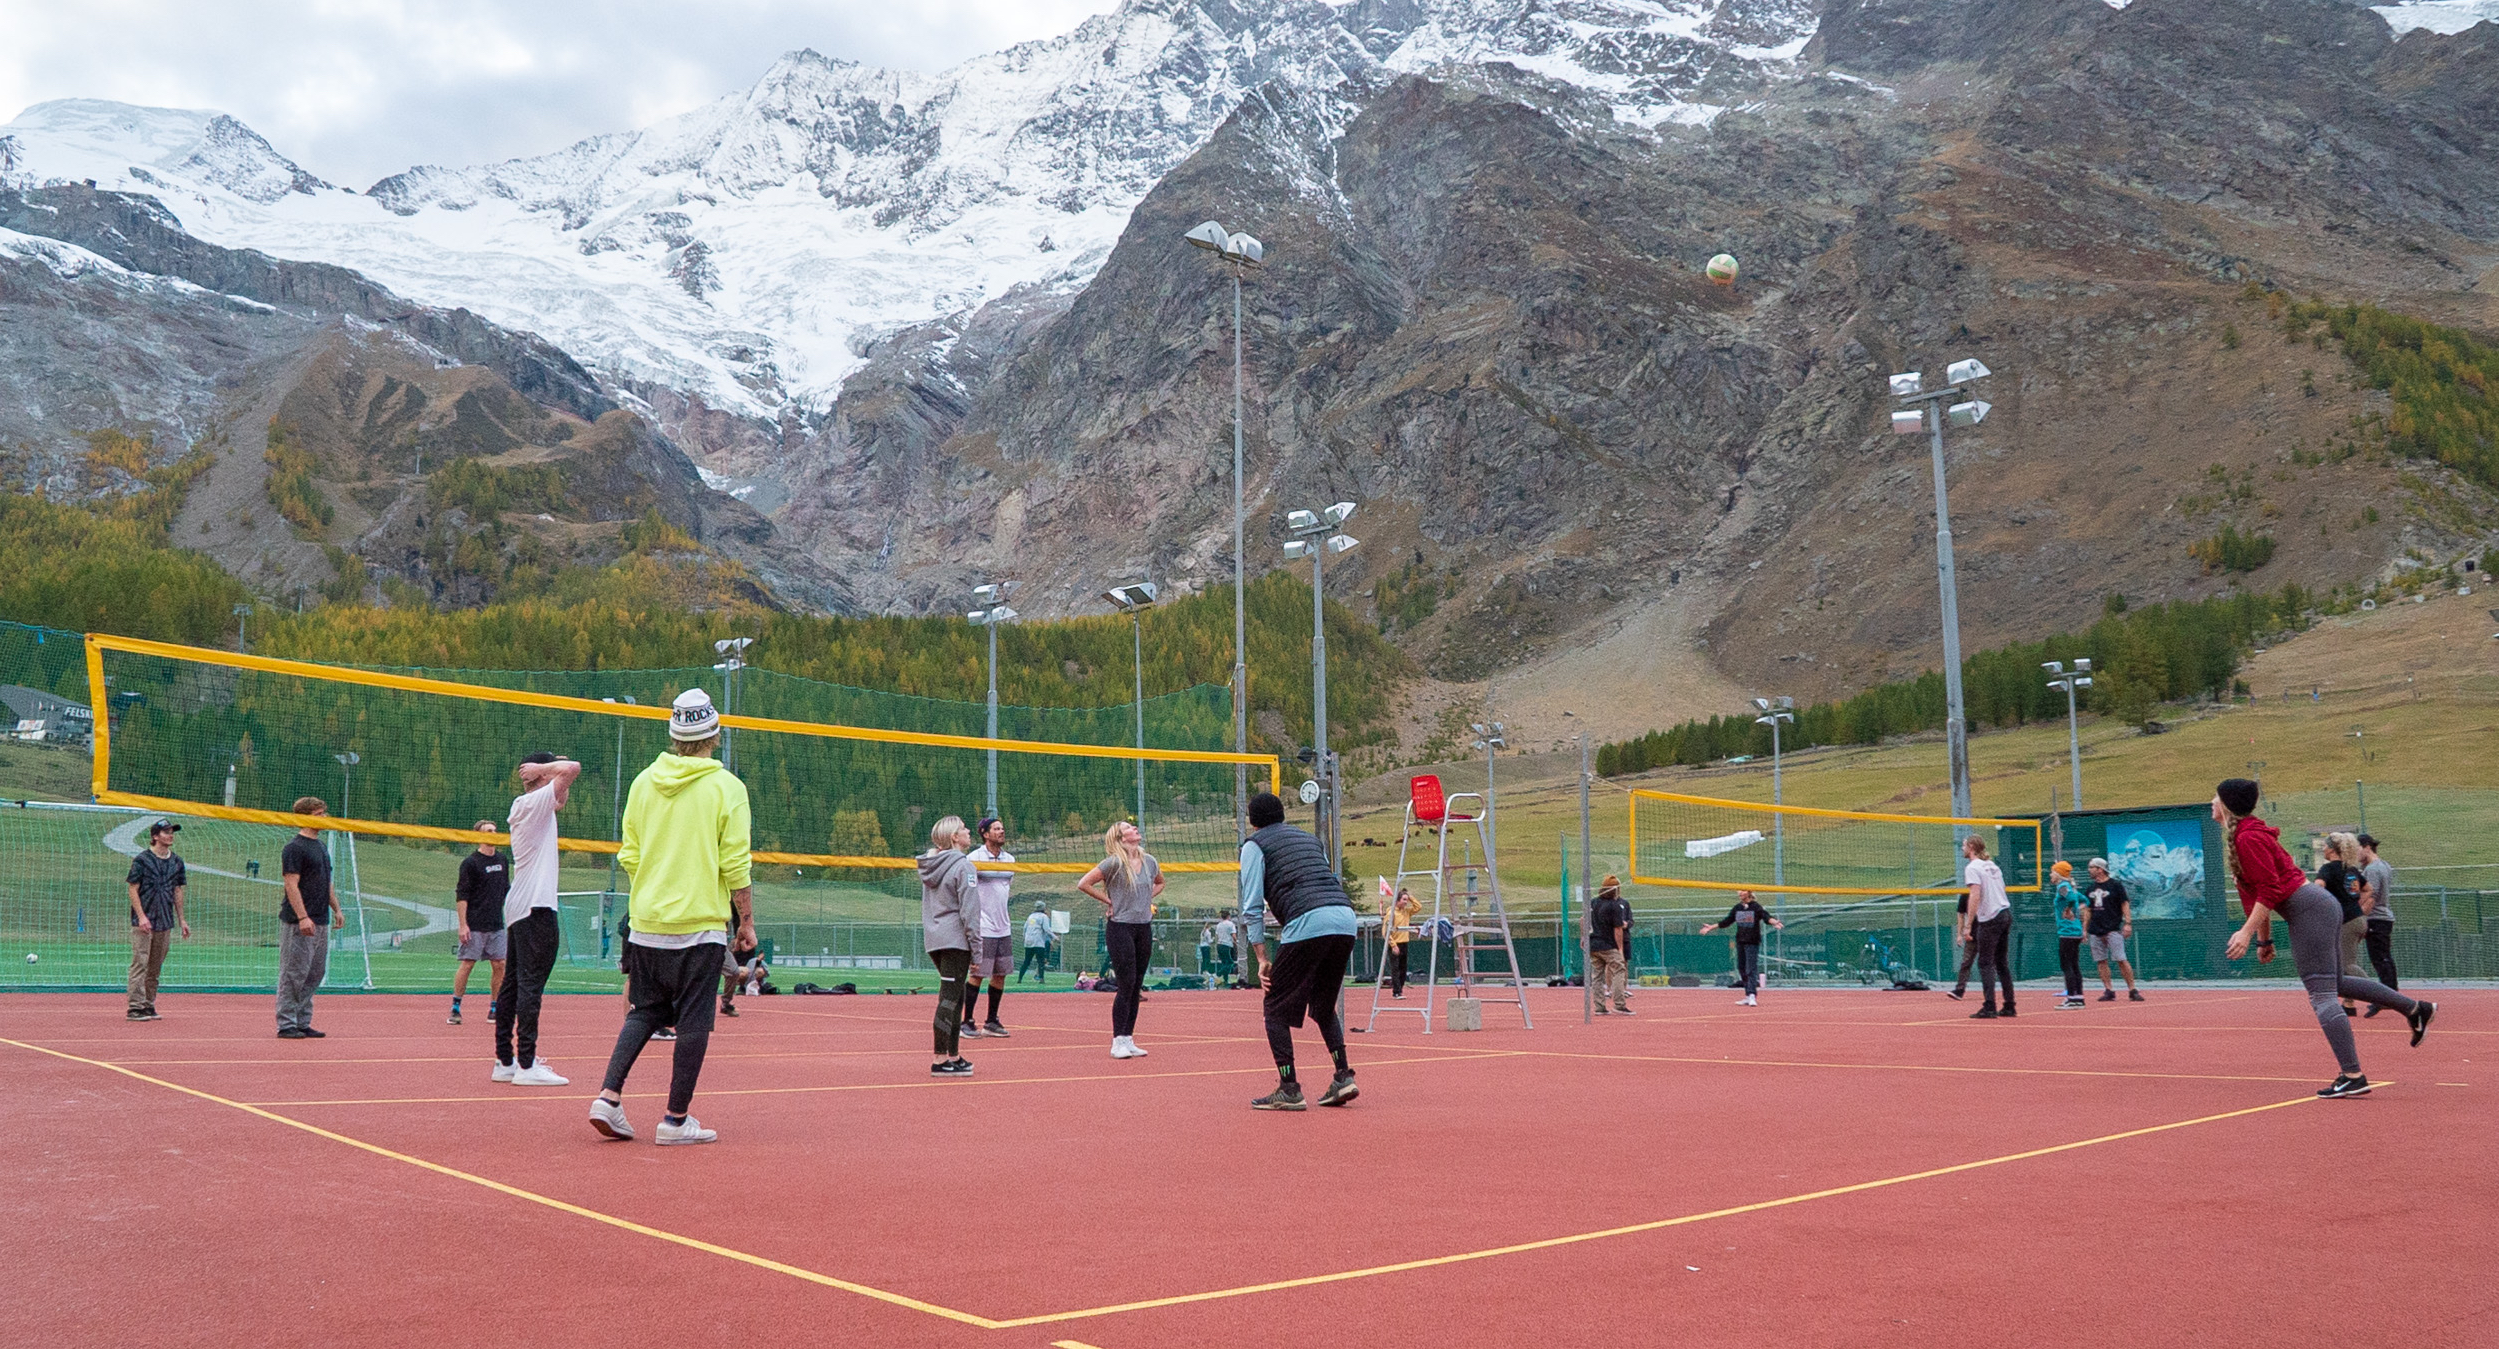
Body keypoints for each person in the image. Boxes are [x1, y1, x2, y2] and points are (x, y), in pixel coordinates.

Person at [589, 688, 756, 1144]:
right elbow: (735, 863)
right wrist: (745, 921)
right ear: (714, 734)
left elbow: (630, 855)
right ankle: (676, 1120)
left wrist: (655, 889)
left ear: (674, 733)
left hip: (647, 922)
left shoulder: (644, 782)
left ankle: (608, 1097)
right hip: (698, 924)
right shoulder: (727, 788)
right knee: (695, 1021)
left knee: (644, 1011)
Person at [2216, 778, 2430, 1096]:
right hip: (2314, 909)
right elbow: (2260, 894)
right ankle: (2415, 1009)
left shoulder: (2248, 838)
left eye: (2215, 798)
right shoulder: (2245, 836)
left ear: (2228, 806)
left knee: (2321, 993)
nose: (2211, 803)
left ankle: (2353, 1074)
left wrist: (2246, 934)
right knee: (2337, 983)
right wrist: (2264, 939)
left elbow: (2271, 890)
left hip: (2311, 910)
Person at [1239, 791, 1357, 1110]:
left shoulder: (1254, 845)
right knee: (1321, 1005)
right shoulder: (1308, 840)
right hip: (1345, 918)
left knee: (1275, 1007)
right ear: (1282, 815)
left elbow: (1250, 906)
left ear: (1252, 819)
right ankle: (1343, 1076)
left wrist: (1262, 958)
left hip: (1309, 920)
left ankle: (1289, 1088)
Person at [493, 752, 581, 1087]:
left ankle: (505, 1060)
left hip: (520, 904)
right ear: (542, 779)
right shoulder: (532, 802)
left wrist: (547, 769)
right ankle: (527, 1065)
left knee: (514, 983)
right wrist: (547, 768)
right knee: (531, 984)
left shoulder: (529, 806)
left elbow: (563, 789)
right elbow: (572, 770)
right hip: (536, 906)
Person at [1078, 821, 1164, 1059]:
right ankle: (1117, 1040)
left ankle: (1128, 1038)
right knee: (1125, 983)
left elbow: (1160, 883)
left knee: (1137, 984)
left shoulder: (1150, 861)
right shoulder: (1114, 862)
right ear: (1120, 837)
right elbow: (1083, 883)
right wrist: (1110, 902)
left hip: (1143, 926)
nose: (1134, 828)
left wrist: (1145, 899)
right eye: (1128, 827)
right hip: (1120, 928)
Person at [277, 798, 343, 1039]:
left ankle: (302, 1020)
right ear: (305, 817)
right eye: (319, 814)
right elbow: (291, 884)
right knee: (294, 972)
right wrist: (302, 916)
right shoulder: (295, 848)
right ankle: (286, 1023)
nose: (324, 818)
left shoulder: (321, 847)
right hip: (299, 922)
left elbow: (326, 883)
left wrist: (336, 908)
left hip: (321, 918)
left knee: (315, 972)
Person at [919, 815, 980, 1077]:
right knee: (949, 998)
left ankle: (952, 1055)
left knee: (956, 997)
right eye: (964, 829)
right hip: (955, 940)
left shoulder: (931, 865)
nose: (968, 832)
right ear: (954, 837)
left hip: (935, 939)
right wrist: (977, 949)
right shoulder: (964, 867)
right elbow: (970, 912)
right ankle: (939, 1058)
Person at [125, 818, 189, 1021]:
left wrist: (182, 920)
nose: (170, 835)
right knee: (140, 962)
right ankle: (135, 1006)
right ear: (155, 836)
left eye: (172, 832)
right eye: (166, 832)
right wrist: (141, 916)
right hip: (144, 921)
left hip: (165, 920)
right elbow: (133, 888)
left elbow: (178, 890)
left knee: (155, 965)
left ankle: (148, 1003)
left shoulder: (177, 862)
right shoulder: (142, 860)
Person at [450, 820, 508, 1027]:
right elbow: (462, 895)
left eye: (495, 830)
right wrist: (463, 924)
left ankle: (495, 1007)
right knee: (467, 964)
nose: (493, 833)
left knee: (500, 964)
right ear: (478, 835)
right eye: (488, 831)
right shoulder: (470, 863)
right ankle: (455, 1007)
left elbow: (505, 891)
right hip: (475, 924)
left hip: (496, 924)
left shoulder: (502, 860)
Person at [962, 817, 1016, 1038]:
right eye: (996, 829)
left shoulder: (1010, 859)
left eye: (1002, 828)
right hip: (983, 927)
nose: (1001, 831)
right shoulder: (973, 858)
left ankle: (991, 1021)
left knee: (1000, 974)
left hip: (1003, 926)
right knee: (977, 974)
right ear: (985, 833)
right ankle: (967, 1021)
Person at [1960, 836, 2015, 1019]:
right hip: (2004, 912)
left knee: (1985, 962)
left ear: (1972, 847)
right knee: (2001, 963)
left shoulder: (1973, 867)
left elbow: (1975, 895)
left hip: (1990, 917)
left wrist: (1968, 925)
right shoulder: (1992, 865)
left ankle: (1989, 1006)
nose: (1962, 848)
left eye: (1964, 845)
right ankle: (2009, 1005)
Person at [1700, 888, 1783, 1005]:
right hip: (1740, 941)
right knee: (1742, 968)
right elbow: (1727, 921)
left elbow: (1766, 916)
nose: (1740, 893)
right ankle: (1748, 995)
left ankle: (1752, 995)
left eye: (1742, 891)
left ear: (1749, 892)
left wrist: (1774, 922)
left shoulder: (1755, 907)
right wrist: (1711, 927)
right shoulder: (1737, 908)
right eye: (1739, 892)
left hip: (1752, 942)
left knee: (1751, 968)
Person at [2316, 832, 2368, 1018]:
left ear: (2331, 849)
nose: (2323, 848)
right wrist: (2357, 905)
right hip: (2358, 919)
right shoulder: (2351, 869)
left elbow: (2318, 888)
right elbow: (2368, 889)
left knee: (2347, 965)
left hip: (2346, 922)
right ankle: (2349, 1003)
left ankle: (2380, 995)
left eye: (2324, 845)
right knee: (2342, 963)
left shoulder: (2328, 869)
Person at [2082, 858, 2142, 1002]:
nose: (2089, 870)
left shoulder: (2115, 885)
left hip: (2113, 928)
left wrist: (2128, 923)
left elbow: (2124, 904)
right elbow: (2088, 910)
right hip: (2096, 929)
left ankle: (2132, 989)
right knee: (2101, 961)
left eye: (2092, 867)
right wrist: (2084, 929)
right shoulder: (2090, 888)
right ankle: (2109, 990)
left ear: (2100, 869)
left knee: (2121, 959)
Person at [2357, 834, 2400, 1012]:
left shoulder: (2373, 869)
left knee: (2380, 959)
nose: (2356, 854)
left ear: (2367, 847)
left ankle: (2388, 997)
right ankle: (2391, 995)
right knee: (2384, 958)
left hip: (2376, 918)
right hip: (2383, 917)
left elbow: (2371, 897)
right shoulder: (2384, 865)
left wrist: (2359, 918)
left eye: (2358, 849)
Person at [1586, 877, 1633, 1013]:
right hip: (1607, 945)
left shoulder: (1593, 902)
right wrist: (1620, 948)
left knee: (1597, 976)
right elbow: (1617, 929)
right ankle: (1619, 1004)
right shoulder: (1614, 906)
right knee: (1619, 969)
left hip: (1593, 944)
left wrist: (1584, 937)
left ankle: (1599, 1007)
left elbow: (1583, 919)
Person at [2050, 861, 2087, 1009]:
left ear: (2058, 873)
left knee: (2067, 964)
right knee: (2074, 964)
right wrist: (2078, 911)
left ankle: (2072, 997)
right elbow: (2085, 900)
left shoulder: (2062, 887)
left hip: (2067, 931)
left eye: (2053, 872)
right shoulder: (2072, 887)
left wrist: (2069, 910)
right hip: (2076, 930)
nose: (2050, 875)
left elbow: (2071, 899)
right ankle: (2078, 996)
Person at [1944, 890, 1981, 1001]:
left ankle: (1993, 991)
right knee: (1966, 962)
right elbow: (1960, 915)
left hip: (1987, 934)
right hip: (1972, 935)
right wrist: (1959, 934)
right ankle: (1959, 990)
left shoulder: (1986, 893)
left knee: (1988, 963)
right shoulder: (1965, 895)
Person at [1381, 891, 1418, 998]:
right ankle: (1396, 991)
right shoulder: (1391, 913)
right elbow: (1385, 931)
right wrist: (1393, 945)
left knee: (1403, 969)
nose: (1406, 902)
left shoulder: (1406, 912)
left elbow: (1418, 907)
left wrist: (1411, 897)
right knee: (1395, 968)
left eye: (1407, 900)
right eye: (1404, 900)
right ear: (1397, 900)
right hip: (1395, 943)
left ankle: (1400, 989)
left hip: (1404, 942)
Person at [1019, 902, 1054, 984]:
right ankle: (1041, 979)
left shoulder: (1030, 916)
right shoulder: (1043, 917)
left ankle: (1020, 978)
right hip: (1038, 942)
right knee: (1040, 961)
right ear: (1043, 908)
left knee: (1027, 961)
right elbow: (1046, 929)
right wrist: (1054, 936)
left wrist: (1025, 938)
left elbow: (1025, 928)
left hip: (1028, 942)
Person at [1213, 909, 1240, 987]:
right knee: (1230, 962)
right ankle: (1218, 974)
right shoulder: (1230, 924)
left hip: (1219, 945)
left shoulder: (1219, 925)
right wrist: (1236, 943)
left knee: (1224, 962)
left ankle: (1225, 979)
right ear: (1228, 916)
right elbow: (1234, 936)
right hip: (1227, 945)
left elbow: (1217, 936)